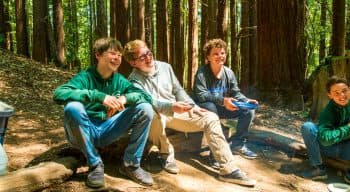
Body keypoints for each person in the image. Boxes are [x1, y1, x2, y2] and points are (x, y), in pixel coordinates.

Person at [123, 39, 257, 187]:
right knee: (150, 113)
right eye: (142, 57)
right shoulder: (133, 81)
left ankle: (228, 169)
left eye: (149, 53)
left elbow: (178, 90)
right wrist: (172, 106)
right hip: (157, 114)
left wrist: (192, 105)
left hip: (176, 110)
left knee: (210, 117)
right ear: (133, 63)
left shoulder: (165, 67)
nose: (149, 58)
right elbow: (151, 103)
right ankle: (166, 154)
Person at [53, 37, 155, 188]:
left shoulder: (120, 80)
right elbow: (59, 94)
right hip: (84, 130)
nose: (117, 58)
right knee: (72, 107)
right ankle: (94, 164)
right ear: (98, 55)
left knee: (145, 108)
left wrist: (125, 98)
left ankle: (131, 164)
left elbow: (146, 97)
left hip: (108, 129)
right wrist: (99, 97)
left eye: (120, 55)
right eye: (113, 53)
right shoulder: (85, 77)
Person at [192, 38, 258, 159]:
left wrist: (246, 101)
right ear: (208, 57)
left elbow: (235, 92)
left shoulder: (229, 73)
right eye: (215, 54)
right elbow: (201, 95)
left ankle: (238, 144)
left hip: (222, 106)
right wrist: (223, 101)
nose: (220, 56)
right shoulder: (202, 72)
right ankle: (215, 152)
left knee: (248, 110)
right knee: (211, 107)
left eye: (222, 53)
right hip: (202, 108)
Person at [301, 76, 350, 183]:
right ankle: (318, 168)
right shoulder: (327, 112)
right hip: (329, 149)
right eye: (336, 93)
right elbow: (325, 140)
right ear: (330, 95)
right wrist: (347, 128)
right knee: (308, 127)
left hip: (347, 150)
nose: (342, 95)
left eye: (344, 91)